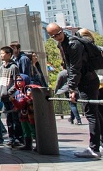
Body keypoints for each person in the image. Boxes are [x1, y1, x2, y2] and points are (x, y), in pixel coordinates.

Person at [48, 23, 101, 158]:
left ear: (62, 30)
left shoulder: (73, 44)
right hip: (85, 80)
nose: (57, 37)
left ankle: (94, 148)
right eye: (53, 36)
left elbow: (75, 68)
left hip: (87, 81)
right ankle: (98, 145)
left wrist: (72, 88)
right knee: (94, 113)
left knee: (91, 114)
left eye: (58, 33)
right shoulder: (62, 44)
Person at [0, 45, 23, 148]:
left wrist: (10, 93)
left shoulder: (13, 67)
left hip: (11, 96)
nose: (1, 55)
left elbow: (17, 82)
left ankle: (18, 138)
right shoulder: (1, 68)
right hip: (3, 96)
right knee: (9, 118)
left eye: (3, 53)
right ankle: (11, 138)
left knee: (15, 118)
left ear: (9, 55)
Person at [10, 74, 36, 151]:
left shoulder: (28, 90)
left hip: (30, 114)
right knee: (25, 130)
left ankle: (38, 144)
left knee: (33, 130)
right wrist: (15, 105)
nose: (18, 83)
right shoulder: (18, 92)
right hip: (22, 114)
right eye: (17, 81)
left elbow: (23, 102)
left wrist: (14, 102)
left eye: (20, 80)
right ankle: (28, 144)